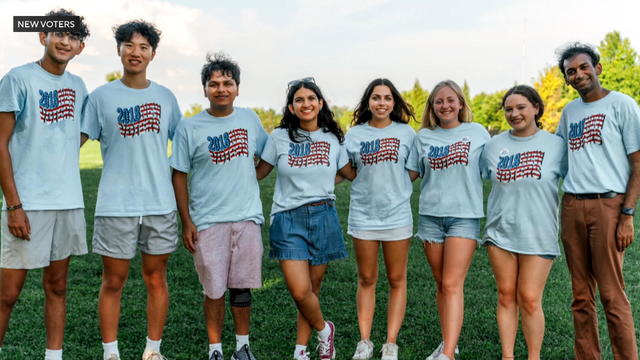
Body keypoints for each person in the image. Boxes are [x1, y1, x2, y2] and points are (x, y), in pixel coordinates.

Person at [80, 20, 181, 360]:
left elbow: (184, 149)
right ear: (119, 49)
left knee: (156, 278)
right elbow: (72, 144)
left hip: (158, 203)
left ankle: (152, 352)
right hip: (116, 204)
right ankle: (111, 353)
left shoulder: (165, 97)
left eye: (143, 47)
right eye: (129, 45)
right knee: (113, 280)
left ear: (153, 54)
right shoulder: (100, 97)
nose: (135, 52)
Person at [0, 8, 90, 360]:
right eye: (58, 34)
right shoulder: (17, 79)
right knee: (8, 292)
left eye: (72, 37)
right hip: (27, 203)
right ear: (43, 37)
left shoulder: (78, 86)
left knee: (57, 287)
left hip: (67, 201)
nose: (64, 41)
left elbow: (75, 134)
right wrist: (14, 205)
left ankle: (54, 357)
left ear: (80, 47)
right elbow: (1, 144)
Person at [171, 53, 266, 360]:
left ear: (237, 88)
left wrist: (251, 179)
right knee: (214, 290)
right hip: (208, 220)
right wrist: (187, 221)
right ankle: (215, 349)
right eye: (214, 84)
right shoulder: (190, 127)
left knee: (242, 289)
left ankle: (242, 347)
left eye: (228, 83)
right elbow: (179, 175)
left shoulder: (250, 119)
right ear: (205, 89)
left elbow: (267, 157)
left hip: (247, 218)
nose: (221, 88)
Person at [256, 78, 353, 360]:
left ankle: (301, 350)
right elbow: (259, 173)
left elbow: (348, 173)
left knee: (312, 290)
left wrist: (323, 185)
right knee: (300, 291)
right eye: (299, 100)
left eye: (311, 98)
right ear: (292, 107)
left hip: (323, 215)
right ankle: (325, 331)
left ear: (320, 103)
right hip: (287, 219)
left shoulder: (333, 138)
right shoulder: (279, 138)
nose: (306, 104)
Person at [555, 42, 639, 360]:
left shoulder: (622, 105)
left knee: (612, 295)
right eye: (571, 72)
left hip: (609, 205)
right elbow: (558, 158)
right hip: (573, 206)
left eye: (583, 67)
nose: (578, 74)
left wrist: (627, 213)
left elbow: (638, 163)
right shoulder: (569, 112)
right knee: (580, 295)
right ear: (567, 79)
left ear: (597, 68)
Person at [406, 80, 490, 360]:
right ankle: (447, 342)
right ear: (432, 106)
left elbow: (493, 169)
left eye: (450, 100)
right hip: (430, 217)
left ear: (461, 103)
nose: (445, 105)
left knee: (453, 284)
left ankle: (449, 354)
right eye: (439, 101)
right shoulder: (423, 137)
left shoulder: (477, 132)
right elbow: (410, 175)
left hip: (464, 217)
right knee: (441, 284)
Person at [481, 85, 566, 360]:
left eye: (521, 107)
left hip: (539, 231)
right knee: (506, 295)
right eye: (509, 109)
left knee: (529, 298)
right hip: (500, 230)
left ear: (536, 108)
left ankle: (533, 356)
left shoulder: (556, 145)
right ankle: (508, 356)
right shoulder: (493, 146)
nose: (514, 114)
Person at [344, 79, 416, 360]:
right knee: (366, 278)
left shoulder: (407, 133)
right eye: (376, 97)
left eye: (387, 98)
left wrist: (394, 188)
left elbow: (412, 170)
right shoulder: (355, 135)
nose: (382, 103)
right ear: (368, 102)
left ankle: (390, 343)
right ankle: (365, 341)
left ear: (394, 103)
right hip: (363, 215)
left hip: (397, 215)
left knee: (397, 279)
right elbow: (347, 170)